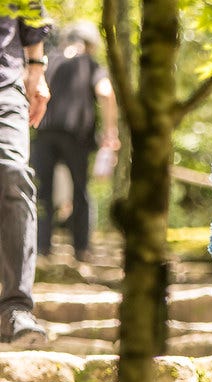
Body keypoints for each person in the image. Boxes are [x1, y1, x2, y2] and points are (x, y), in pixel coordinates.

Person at [31, 20, 117, 262]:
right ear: (90, 44)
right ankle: (81, 250)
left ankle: (41, 250)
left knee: (42, 193)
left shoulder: (49, 60)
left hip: (44, 132)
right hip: (76, 136)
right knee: (80, 191)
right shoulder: (89, 63)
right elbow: (106, 92)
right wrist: (111, 133)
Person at [0, 7, 50, 347]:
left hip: (5, 84)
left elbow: (31, 12)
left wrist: (37, 68)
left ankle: (16, 308)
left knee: (14, 173)